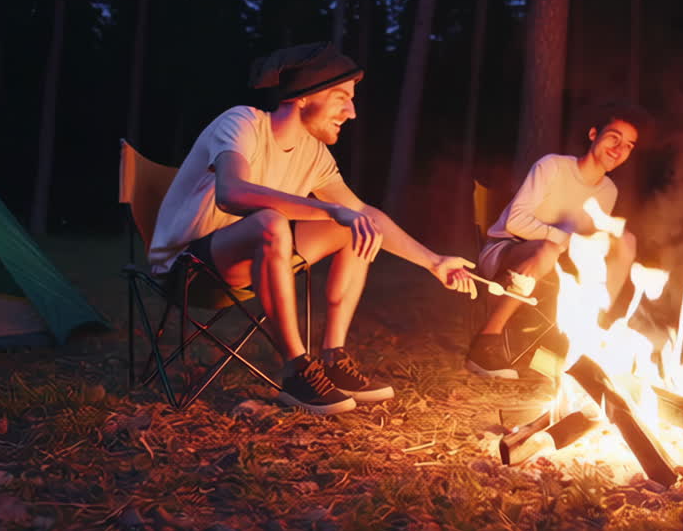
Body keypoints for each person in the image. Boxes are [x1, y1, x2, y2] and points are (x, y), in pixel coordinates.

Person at [149, 42, 476, 415]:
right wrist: (331, 209)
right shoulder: (242, 123)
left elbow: (361, 212)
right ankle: (296, 370)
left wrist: (435, 262)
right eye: (341, 98)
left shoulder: (313, 153)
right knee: (272, 222)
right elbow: (231, 193)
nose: (351, 112)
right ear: (303, 96)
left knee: (356, 226)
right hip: (187, 271)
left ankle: (333, 358)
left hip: (244, 265)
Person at [465, 103, 651, 379]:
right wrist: (565, 240)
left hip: (558, 261)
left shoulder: (608, 190)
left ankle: (591, 332)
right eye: (614, 137)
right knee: (549, 249)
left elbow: (587, 246)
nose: (619, 148)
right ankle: (485, 343)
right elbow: (516, 222)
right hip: (506, 250)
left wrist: (593, 248)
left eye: (628, 146)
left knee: (626, 241)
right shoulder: (553, 166)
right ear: (593, 135)